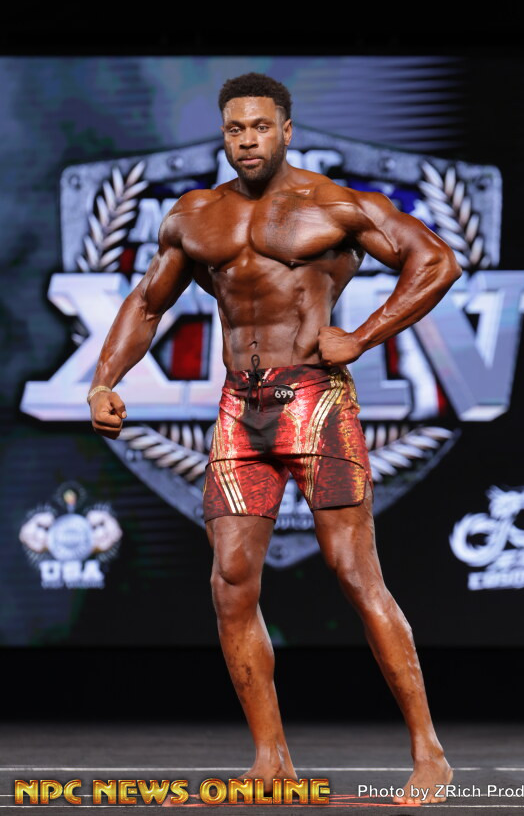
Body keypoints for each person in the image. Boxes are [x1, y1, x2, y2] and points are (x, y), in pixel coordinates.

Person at [88, 72, 461, 805]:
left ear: (287, 130)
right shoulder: (196, 216)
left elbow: (437, 261)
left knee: (354, 572)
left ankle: (430, 753)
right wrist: (104, 380)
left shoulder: (335, 205)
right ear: (223, 136)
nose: (248, 140)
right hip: (240, 409)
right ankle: (271, 759)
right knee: (230, 582)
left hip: (315, 401)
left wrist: (364, 335)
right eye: (235, 129)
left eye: (261, 126)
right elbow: (148, 301)